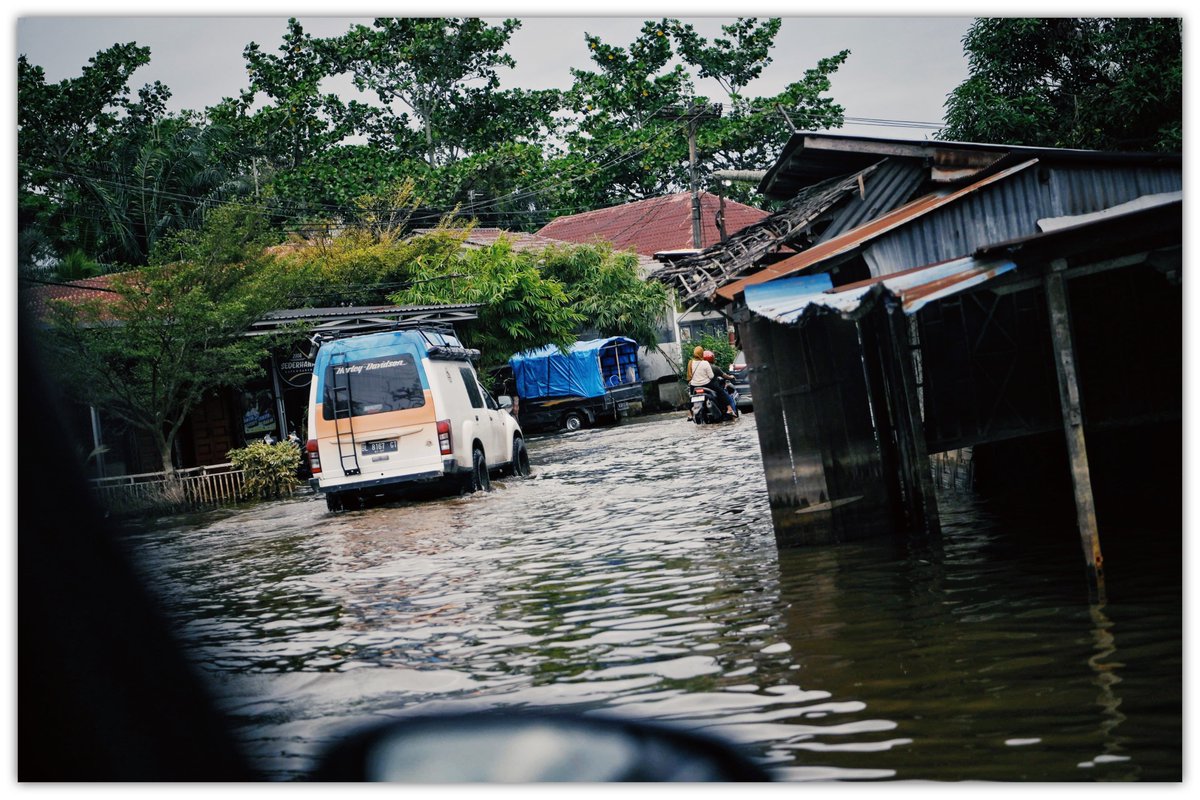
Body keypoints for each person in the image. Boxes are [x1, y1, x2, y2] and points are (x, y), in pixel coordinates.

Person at [701, 350, 738, 419]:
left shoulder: (700, 367)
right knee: (728, 398)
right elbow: (724, 376)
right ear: (712, 358)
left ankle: (690, 414)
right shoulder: (714, 368)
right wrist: (731, 377)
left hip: (701, 387)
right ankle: (731, 411)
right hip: (712, 387)